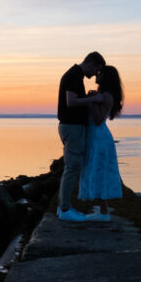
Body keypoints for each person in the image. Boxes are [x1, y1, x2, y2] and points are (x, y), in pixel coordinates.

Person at [56, 51, 106, 222]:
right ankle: (65, 208)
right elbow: (71, 102)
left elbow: (75, 100)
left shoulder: (76, 75)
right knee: (72, 168)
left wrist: (86, 97)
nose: (94, 76)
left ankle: (64, 207)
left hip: (72, 126)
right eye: (96, 70)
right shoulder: (73, 75)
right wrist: (94, 100)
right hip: (72, 126)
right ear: (91, 63)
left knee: (72, 167)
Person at [79, 64, 124, 221]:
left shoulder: (104, 96)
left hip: (99, 136)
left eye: (100, 73)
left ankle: (104, 212)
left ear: (106, 77)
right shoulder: (103, 94)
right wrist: (92, 98)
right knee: (98, 171)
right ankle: (103, 210)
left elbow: (98, 120)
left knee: (99, 172)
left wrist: (91, 102)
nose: (97, 75)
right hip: (97, 136)